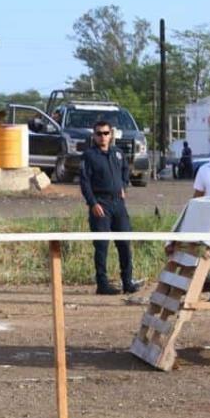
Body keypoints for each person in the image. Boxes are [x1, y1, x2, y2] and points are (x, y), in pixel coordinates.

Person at [79, 121, 141, 295]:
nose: (102, 137)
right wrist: (93, 203)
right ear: (94, 135)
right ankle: (102, 284)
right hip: (100, 203)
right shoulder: (89, 156)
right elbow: (84, 182)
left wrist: (124, 186)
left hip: (118, 204)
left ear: (111, 134)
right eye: (99, 133)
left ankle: (127, 281)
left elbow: (125, 171)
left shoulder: (118, 153)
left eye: (106, 133)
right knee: (102, 245)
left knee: (124, 243)